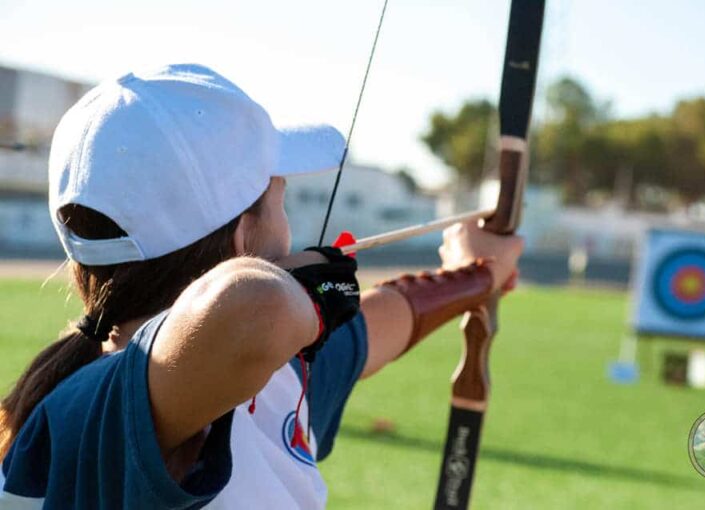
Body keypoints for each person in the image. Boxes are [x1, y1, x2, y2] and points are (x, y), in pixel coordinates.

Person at [0, 64, 523, 509]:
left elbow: (382, 320)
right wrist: (308, 291)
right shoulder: (95, 410)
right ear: (243, 234)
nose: (289, 224)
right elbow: (256, 309)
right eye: (279, 200)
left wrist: (475, 273)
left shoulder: (269, 376)